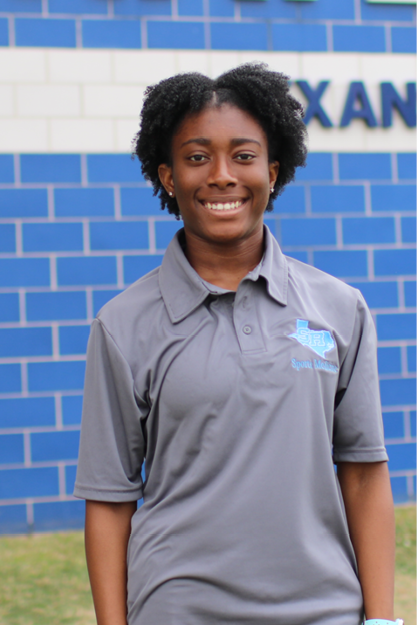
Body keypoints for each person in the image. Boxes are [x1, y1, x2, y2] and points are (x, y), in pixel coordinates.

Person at [74, 63, 398, 625]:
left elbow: (365, 472)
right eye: (197, 157)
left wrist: (382, 618)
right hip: (178, 609)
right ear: (168, 177)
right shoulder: (122, 325)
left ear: (273, 172)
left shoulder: (339, 308)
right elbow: (108, 498)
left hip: (326, 610)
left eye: (244, 156)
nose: (222, 175)